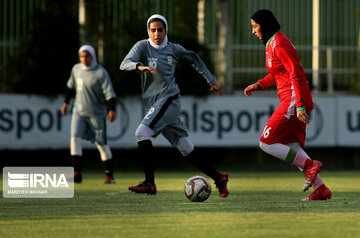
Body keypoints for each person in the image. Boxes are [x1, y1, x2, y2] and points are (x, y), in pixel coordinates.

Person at [120, 14, 229, 198]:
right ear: (148, 31)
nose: (156, 34)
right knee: (185, 147)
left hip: (169, 99)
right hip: (154, 104)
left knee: (141, 132)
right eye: (152, 30)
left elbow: (194, 58)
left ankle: (149, 183)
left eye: (160, 30)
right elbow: (124, 64)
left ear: (166, 30)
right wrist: (140, 67)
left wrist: (211, 80)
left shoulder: (174, 49)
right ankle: (219, 178)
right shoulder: (142, 47)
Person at [244, 9, 331, 201]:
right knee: (291, 145)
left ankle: (309, 165)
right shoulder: (272, 43)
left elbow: (296, 75)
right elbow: (278, 73)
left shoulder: (280, 44)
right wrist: (259, 84)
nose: (253, 31)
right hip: (292, 98)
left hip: (294, 98)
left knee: (266, 142)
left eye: (254, 26)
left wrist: (299, 106)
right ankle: (321, 189)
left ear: (264, 25)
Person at [61, 45, 117, 184]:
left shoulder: (100, 73)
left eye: (87, 56)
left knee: (101, 143)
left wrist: (111, 109)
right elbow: (70, 86)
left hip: (96, 114)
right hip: (78, 112)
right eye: (82, 56)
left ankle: (109, 175)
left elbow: (110, 94)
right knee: (75, 139)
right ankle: (76, 173)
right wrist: (66, 103)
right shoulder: (76, 69)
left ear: (93, 57)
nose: (84, 59)